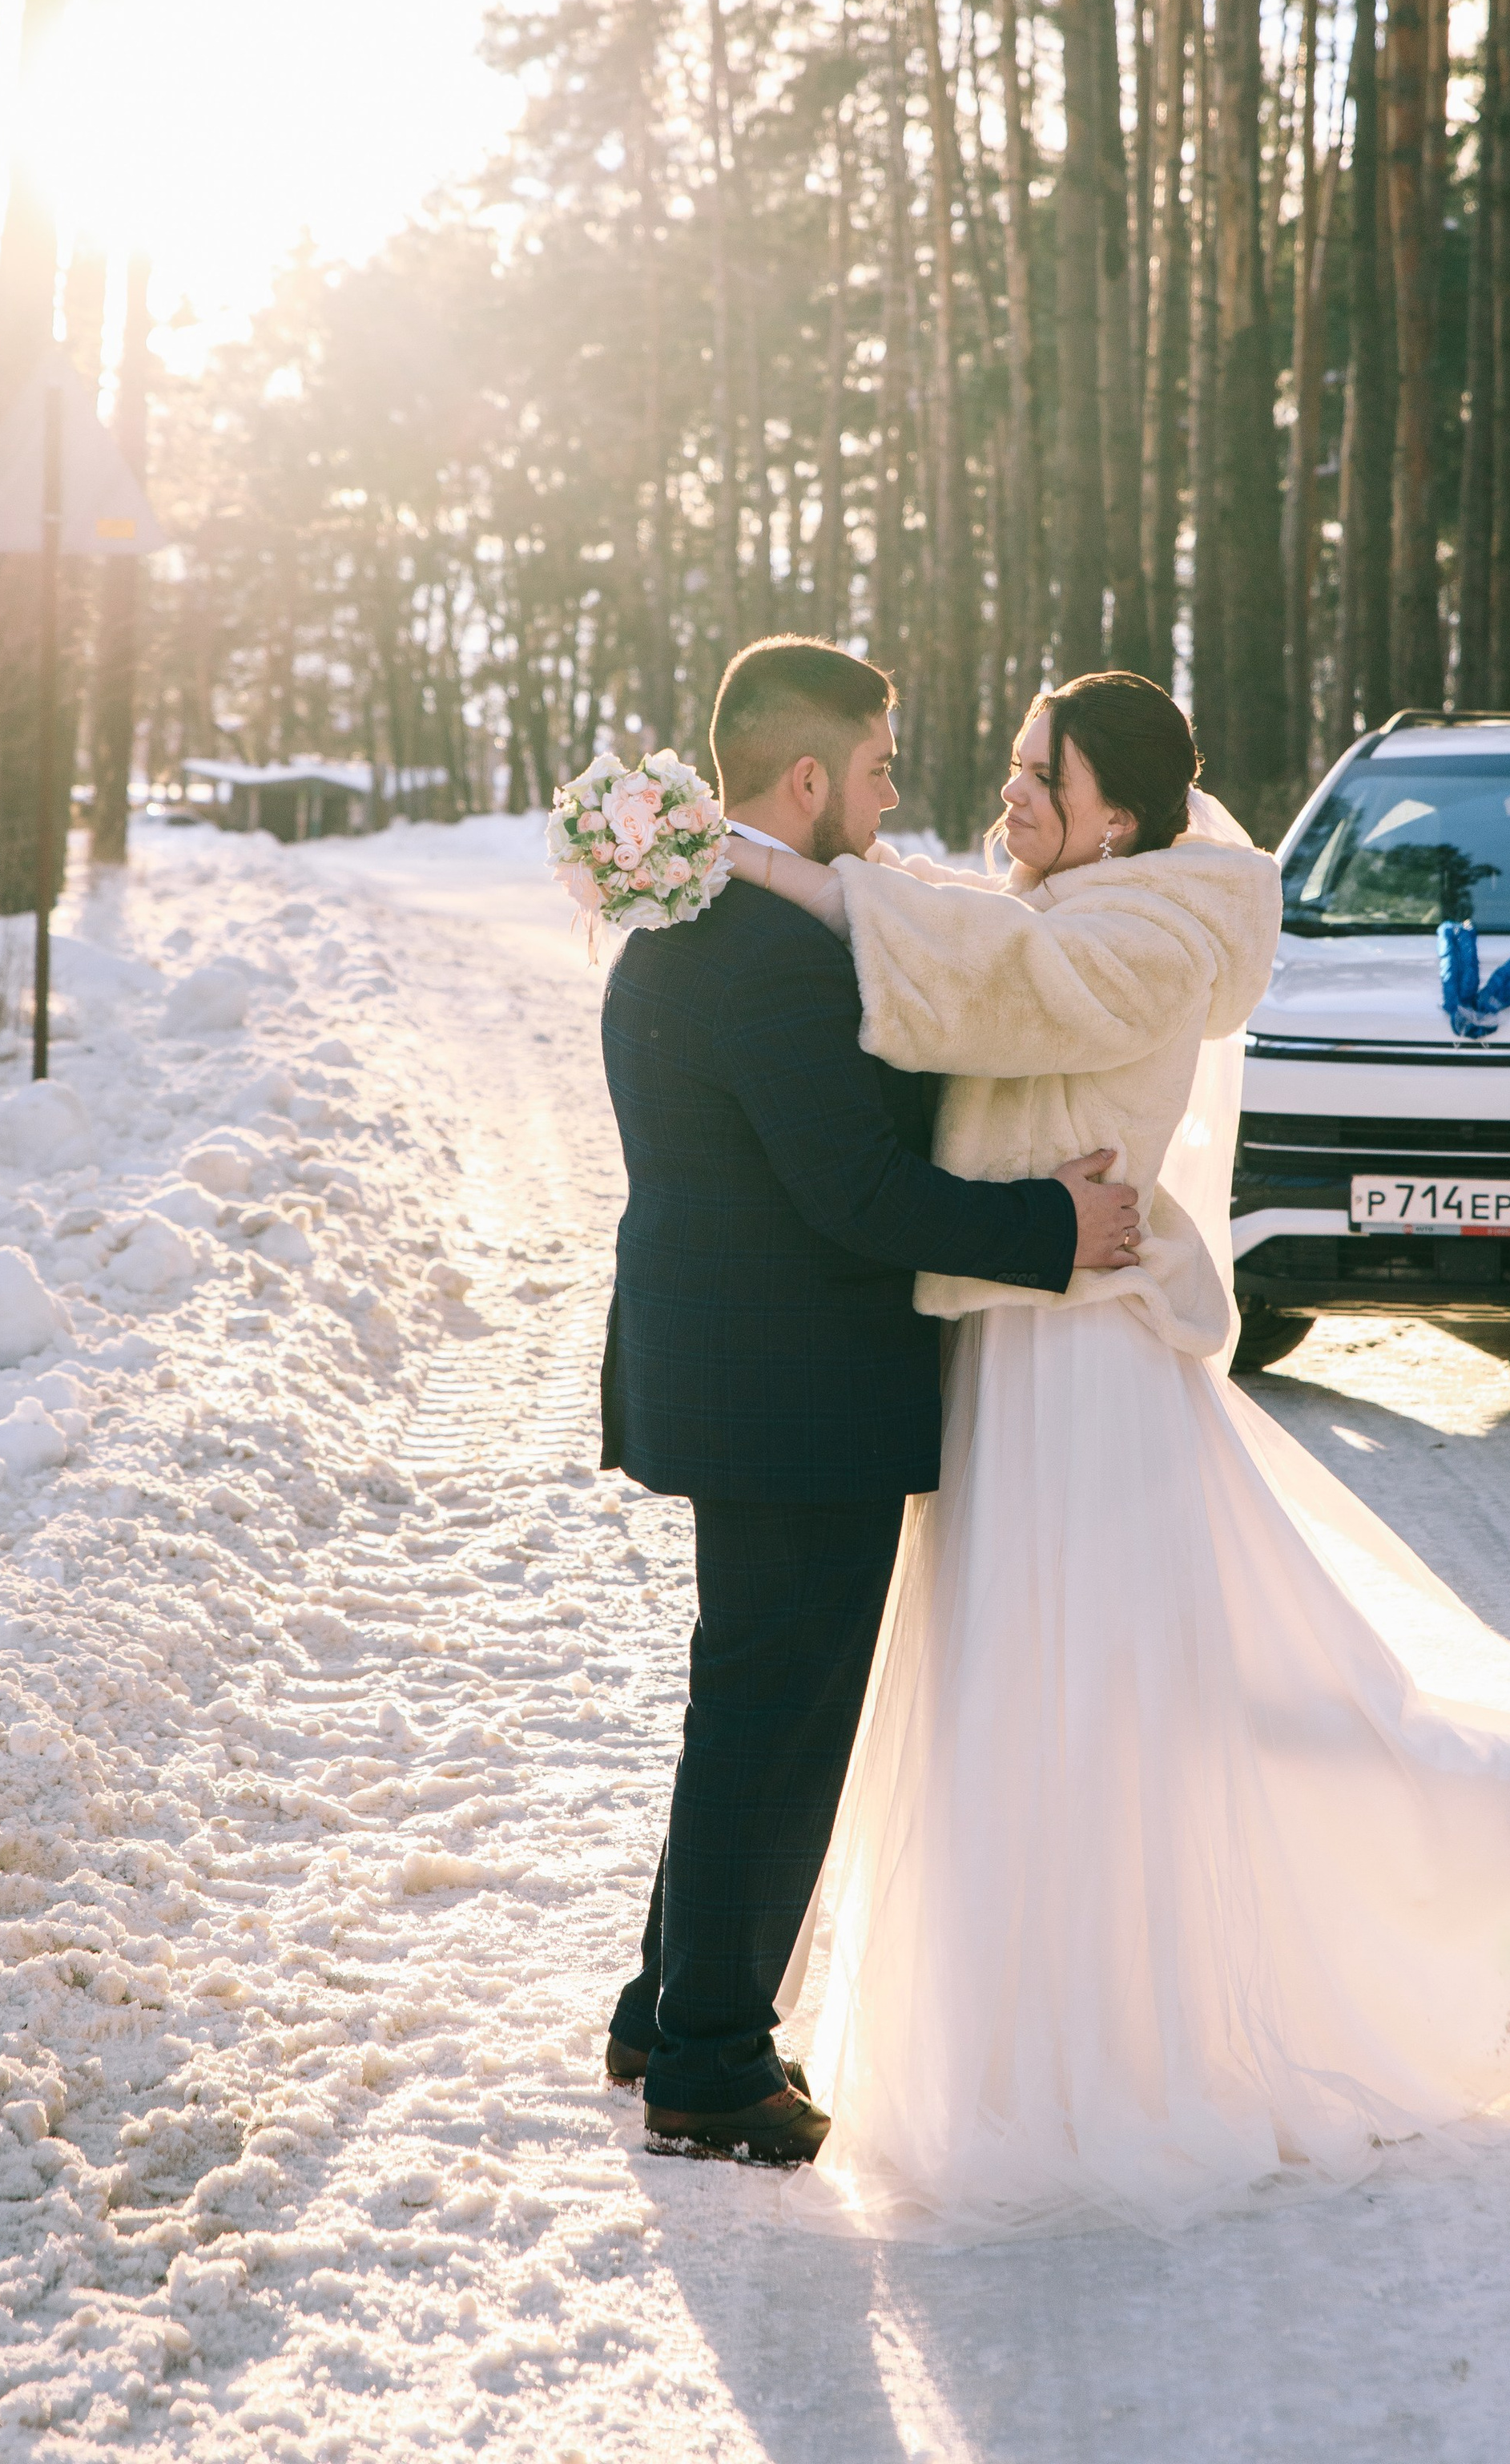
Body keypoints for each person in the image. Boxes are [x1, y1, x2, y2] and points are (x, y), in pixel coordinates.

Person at [727, 668, 1510, 2239]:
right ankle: (1029, 2016)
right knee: (1023, 1689)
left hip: (1080, 1364)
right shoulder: (1054, 902)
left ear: (1118, 806)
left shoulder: (1155, 927)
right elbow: (951, 932)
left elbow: (983, 978)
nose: (1013, 788)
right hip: (1008, 1334)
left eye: (1046, 770)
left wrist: (772, 865)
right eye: (1017, 760)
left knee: (1130, 1693)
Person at [598, 636, 1144, 2165]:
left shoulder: (694, 914)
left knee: (743, 1703)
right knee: (777, 1721)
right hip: (796, 1397)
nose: (901, 794)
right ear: (809, 777)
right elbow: (859, 1193)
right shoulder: (769, 958)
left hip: (738, 1376)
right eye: (884, 766)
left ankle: (665, 2009)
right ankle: (712, 2064)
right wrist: (1054, 1228)